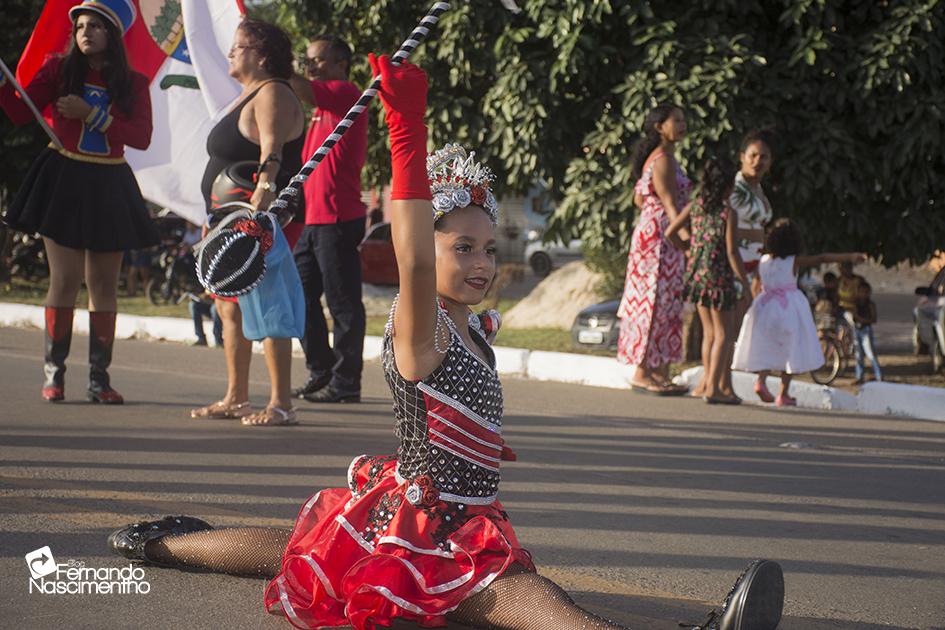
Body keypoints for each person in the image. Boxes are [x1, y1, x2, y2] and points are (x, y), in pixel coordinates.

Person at [107, 57, 785, 630]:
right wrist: (405, 131)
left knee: (302, 546)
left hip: (455, 511)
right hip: (430, 526)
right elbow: (412, 255)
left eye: (489, 247)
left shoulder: (468, 324)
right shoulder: (420, 321)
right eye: (462, 247)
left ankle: (171, 539)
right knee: (522, 594)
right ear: (428, 253)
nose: (483, 262)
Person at [0, 0, 158, 404]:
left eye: (95, 26)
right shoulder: (58, 69)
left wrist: (94, 115)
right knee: (64, 281)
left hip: (109, 182)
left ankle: (99, 380)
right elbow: (21, 112)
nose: (85, 32)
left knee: (104, 285)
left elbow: (140, 137)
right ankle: (55, 375)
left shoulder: (133, 83)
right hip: (65, 177)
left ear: (113, 35)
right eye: (81, 26)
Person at [189, 18, 306, 426]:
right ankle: (236, 396)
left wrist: (265, 192)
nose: (231, 53)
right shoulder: (247, 94)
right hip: (228, 219)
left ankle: (281, 404)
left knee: (267, 301)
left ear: (261, 53)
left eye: (239, 46)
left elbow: (271, 148)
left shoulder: (272, 91)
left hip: (260, 215)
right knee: (229, 306)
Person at [289, 34, 368, 404]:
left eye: (317, 60)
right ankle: (321, 370)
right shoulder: (322, 109)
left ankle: (346, 383)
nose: (310, 66)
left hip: (337, 217)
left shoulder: (346, 93)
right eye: (307, 60)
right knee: (298, 296)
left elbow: (302, 87)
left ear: (340, 64)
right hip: (313, 221)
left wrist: (275, 63)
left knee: (342, 304)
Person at [732, 218, 866, 405]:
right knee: (791, 348)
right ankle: (783, 393)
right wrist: (850, 257)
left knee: (768, 347)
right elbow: (823, 258)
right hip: (788, 308)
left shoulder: (763, 261)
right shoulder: (793, 261)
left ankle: (761, 382)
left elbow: (757, 284)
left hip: (765, 306)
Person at [617, 104, 691, 395]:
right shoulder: (662, 160)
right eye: (677, 120)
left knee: (666, 303)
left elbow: (639, 199)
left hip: (654, 238)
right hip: (661, 242)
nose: (683, 125)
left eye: (684, 120)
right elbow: (672, 206)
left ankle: (658, 371)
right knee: (654, 303)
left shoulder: (662, 158)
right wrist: (689, 243)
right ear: (660, 126)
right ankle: (643, 372)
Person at [666, 158, 750, 404]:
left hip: (698, 276)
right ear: (727, 187)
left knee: (710, 334)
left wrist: (689, 250)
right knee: (725, 334)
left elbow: (671, 232)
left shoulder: (695, 206)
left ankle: (710, 385)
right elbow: (732, 252)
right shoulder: (728, 214)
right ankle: (713, 388)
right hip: (720, 278)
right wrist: (744, 283)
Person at [852, 281, 882, 384]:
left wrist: (862, 320)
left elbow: (873, 319)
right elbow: (855, 316)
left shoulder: (870, 304)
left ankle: (879, 376)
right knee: (858, 355)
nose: (863, 294)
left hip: (866, 330)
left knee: (870, 354)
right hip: (857, 330)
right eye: (861, 292)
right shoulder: (856, 303)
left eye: (865, 292)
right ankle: (860, 376)